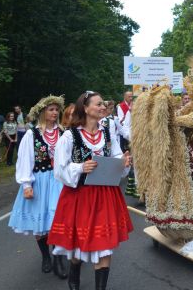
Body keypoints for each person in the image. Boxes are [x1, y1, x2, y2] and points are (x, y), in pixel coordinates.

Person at [49, 91, 133, 290]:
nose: (103, 106)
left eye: (103, 103)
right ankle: (74, 276)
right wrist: (80, 167)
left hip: (105, 194)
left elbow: (116, 157)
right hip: (80, 195)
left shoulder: (107, 132)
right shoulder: (70, 136)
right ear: (85, 108)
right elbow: (60, 170)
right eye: (98, 104)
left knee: (104, 247)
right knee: (79, 245)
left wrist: (123, 162)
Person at [8, 95, 68, 279]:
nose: (55, 112)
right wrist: (26, 184)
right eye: (51, 109)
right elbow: (25, 159)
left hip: (59, 181)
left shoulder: (64, 132)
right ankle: (45, 256)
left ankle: (58, 257)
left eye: (57, 110)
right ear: (43, 112)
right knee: (40, 223)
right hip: (40, 181)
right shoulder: (31, 134)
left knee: (58, 221)